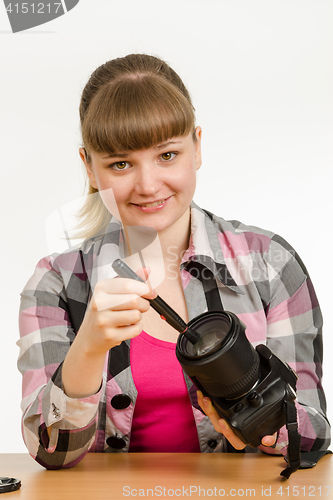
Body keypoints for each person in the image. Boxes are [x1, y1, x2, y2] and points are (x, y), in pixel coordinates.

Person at [18, 53, 330, 470]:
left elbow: (313, 431)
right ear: (90, 168)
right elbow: (50, 451)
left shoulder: (270, 263)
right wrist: (89, 346)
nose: (148, 185)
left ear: (197, 147)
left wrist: (261, 418)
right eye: (121, 163)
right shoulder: (56, 283)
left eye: (167, 155)